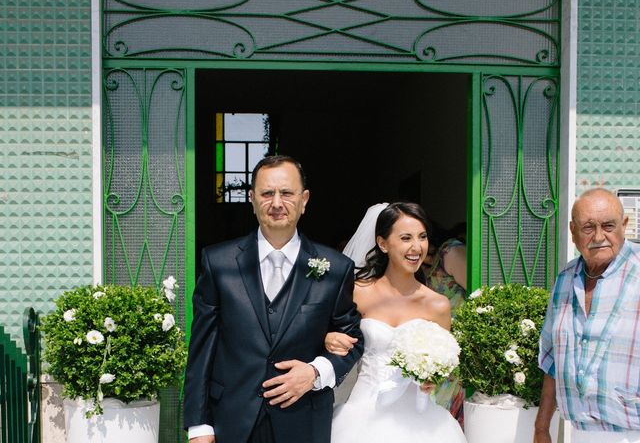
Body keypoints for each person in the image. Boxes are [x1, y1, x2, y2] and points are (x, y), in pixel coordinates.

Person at [183, 155, 364, 443]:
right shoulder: (218, 262)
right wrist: (199, 426)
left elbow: (352, 338)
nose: (277, 203)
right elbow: (202, 349)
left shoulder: (336, 267)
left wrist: (316, 371)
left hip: (303, 421)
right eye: (267, 193)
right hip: (232, 420)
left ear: (304, 200)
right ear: (252, 199)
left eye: (287, 193)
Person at [326, 202, 467, 443]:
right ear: (382, 243)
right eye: (405, 238)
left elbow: (444, 369)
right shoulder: (358, 292)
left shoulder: (438, 304)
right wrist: (328, 338)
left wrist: (432, 379)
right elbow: (327, 333)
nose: (416, 247)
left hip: (420, 419)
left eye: (422, 237)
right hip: (363, 414)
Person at [534, 188, 640, 443]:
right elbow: (552, 361)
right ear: (573, 231)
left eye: (608, 226)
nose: (599, 236)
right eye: (588, 227)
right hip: (580, 433)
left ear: (624, 225)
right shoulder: (565, 279)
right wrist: (541, 427)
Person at [422, 227, 467, 426]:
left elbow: (479, 290)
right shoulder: (415, 267)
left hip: (458, 346)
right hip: (433, 351)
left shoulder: (450, 252)